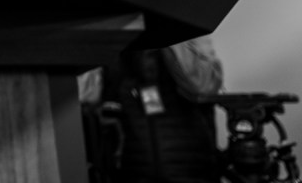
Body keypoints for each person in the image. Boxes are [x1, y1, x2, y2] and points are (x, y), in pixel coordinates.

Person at [81, 36, 223, 183]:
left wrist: (170, 30)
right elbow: (84, 95)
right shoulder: (116, 37)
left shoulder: (186, 29)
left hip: (191, 169)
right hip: (131, 171)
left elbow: (204, 86)